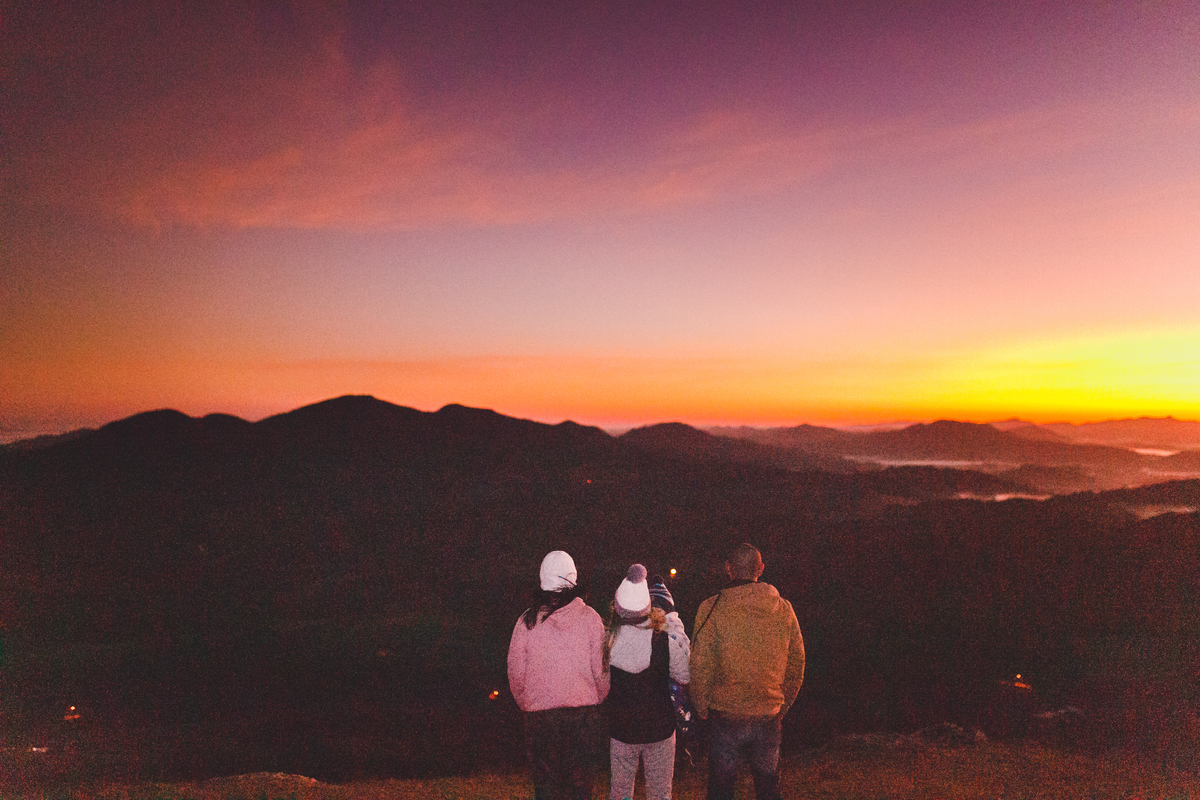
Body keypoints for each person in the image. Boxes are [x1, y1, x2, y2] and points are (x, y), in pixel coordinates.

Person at [689, 544, 804, 800]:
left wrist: (701, 706)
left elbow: (699, 664)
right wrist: (783, 704)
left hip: (725, 714)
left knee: (721, 789)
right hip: (768, 712)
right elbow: (797, 662)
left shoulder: (711, 608)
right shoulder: (783, 609)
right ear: (760, 569)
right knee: (768, 788)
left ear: (728, 568)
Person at [509, 550, 610, 800]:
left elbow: (515, 673)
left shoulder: (526, 621)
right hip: (582, 718)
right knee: (579, 791)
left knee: (547, 791)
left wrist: (528, 703)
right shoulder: (591, 618)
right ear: (572, 578)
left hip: (539, 720)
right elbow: (602, 671)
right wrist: (596, 698)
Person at [603, 564, 691, 800]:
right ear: (647, 605)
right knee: (660, 793)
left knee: (620, 793)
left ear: (617, 607)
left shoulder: (608, 643)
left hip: (622, 730)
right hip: (660, 729)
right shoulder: (664, 640)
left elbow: (602, 686)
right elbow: (684, 676)